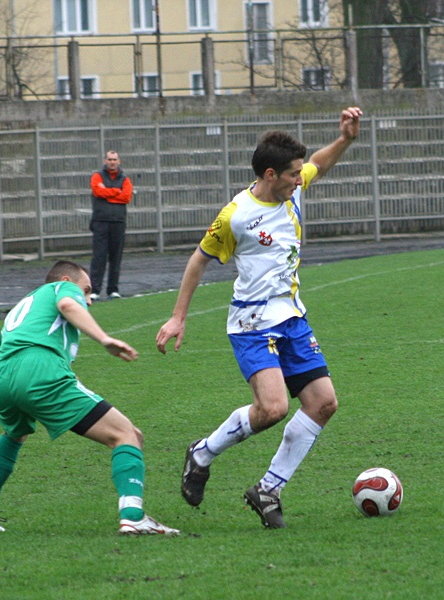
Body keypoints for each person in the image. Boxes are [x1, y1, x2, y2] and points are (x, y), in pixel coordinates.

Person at [155, 107, 363, 529]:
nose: (299, 179)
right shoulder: (236, 215)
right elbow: (198, 261)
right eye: (292, 174)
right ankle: (202, 453)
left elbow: (319, 164)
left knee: (323, 404)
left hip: (292, 318)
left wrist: (345, 139)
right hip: (252, 322)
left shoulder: (294, 185)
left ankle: (268, 488)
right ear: (271, 174)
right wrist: (178, 318)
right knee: (272, 408)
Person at [0, 260, 177, 536]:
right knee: (127, 434)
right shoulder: (62, 289)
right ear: (67, 280)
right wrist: (104, 339)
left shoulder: (23, 309)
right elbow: (69, 305)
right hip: (40, 371)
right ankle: (133, 517)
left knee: (14, 433)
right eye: (86, 290)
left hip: (3, 380)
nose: (88, 300)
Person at [89, 150, 133, 301]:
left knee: (116, 257)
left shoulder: (125, 179)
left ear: (119, 161)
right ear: (105, 161)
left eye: (114, 159)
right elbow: (97, 191)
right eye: (109, 159)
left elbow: (126, 197)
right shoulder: (97, 176)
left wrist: (107, 193)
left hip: (118, 222)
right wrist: (116, 192)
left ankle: (113, 289)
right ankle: (94, 290)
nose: (112, 162)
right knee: (99, 257)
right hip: (100, 221)